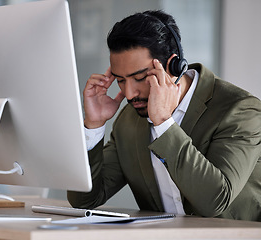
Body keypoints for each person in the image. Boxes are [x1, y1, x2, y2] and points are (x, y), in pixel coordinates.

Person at [67, 10, 261, 221]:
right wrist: (93, 125)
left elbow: (215, 200)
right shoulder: (129, 120)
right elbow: (83, 201)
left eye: (140, 77)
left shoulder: (241, 110)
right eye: (120, 80)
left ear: (173, 66)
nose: (129, 94)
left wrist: (164, 124)